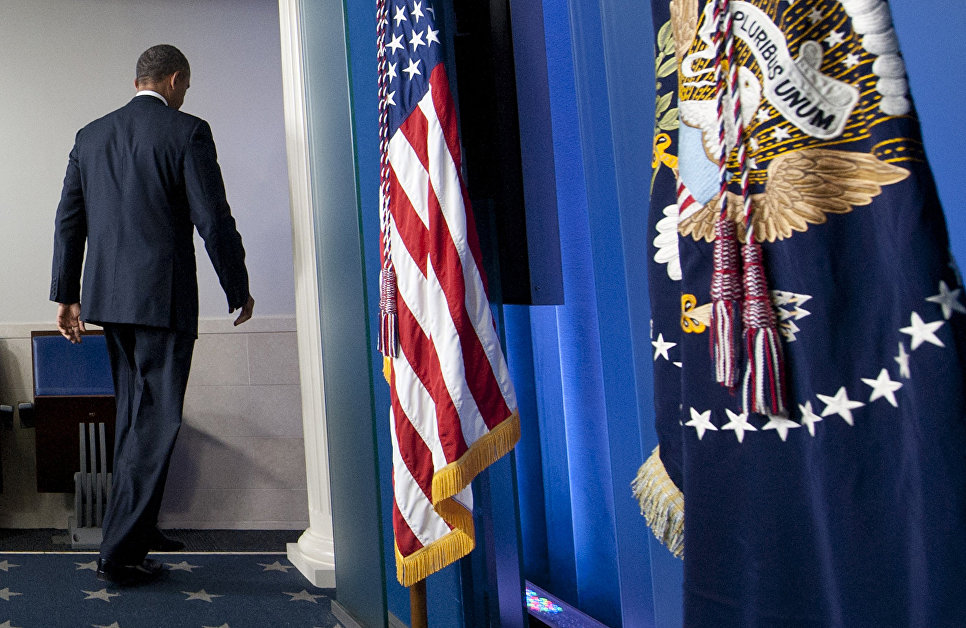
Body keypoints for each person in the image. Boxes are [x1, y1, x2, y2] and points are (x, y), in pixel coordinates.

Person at [50, 44, 254, 586]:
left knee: (134, 417)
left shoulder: (91, 135)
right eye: (185, 86)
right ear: (174, 78)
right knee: (155, 419)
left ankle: (137, 528)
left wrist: (66, 294)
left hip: (108, 300)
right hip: (162, 300)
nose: (185, 94)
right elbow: (213, 217)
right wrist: (237, 286)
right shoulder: (188, 132)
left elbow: (69, 220)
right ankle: (119, 553)